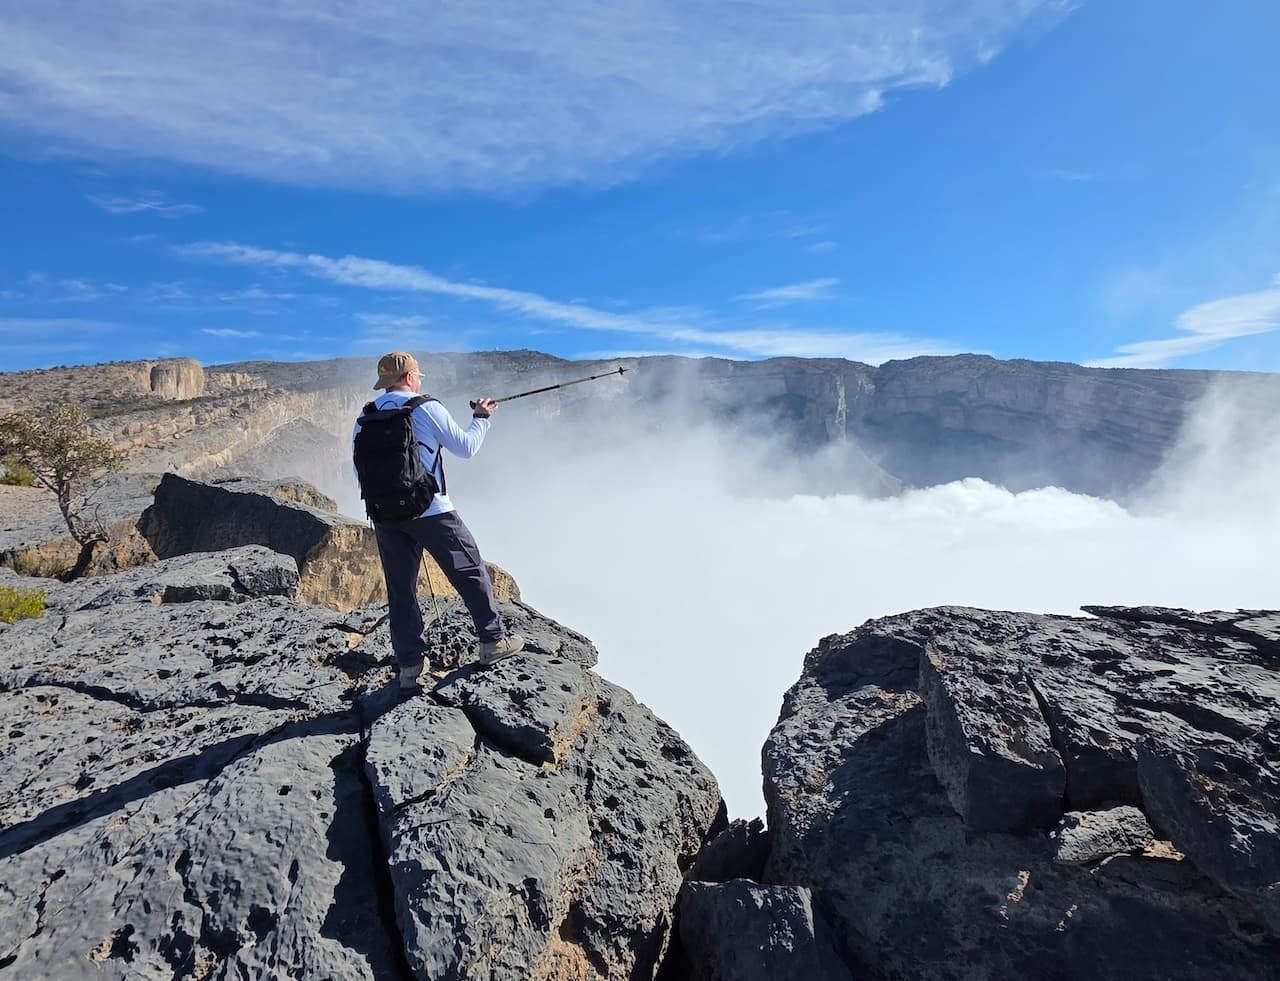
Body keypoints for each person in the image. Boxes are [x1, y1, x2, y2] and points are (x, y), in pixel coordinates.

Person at [354, 351, 523, 690]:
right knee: (470, 569)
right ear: (410, 378)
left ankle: (410, 668)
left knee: (401, 590)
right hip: (431, 510)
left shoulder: (365, 416)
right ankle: (492, 642)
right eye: (417, 375)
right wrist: (481, 417)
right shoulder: (426, 407)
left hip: (385, 515)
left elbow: (360, 463)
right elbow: (466, 447)